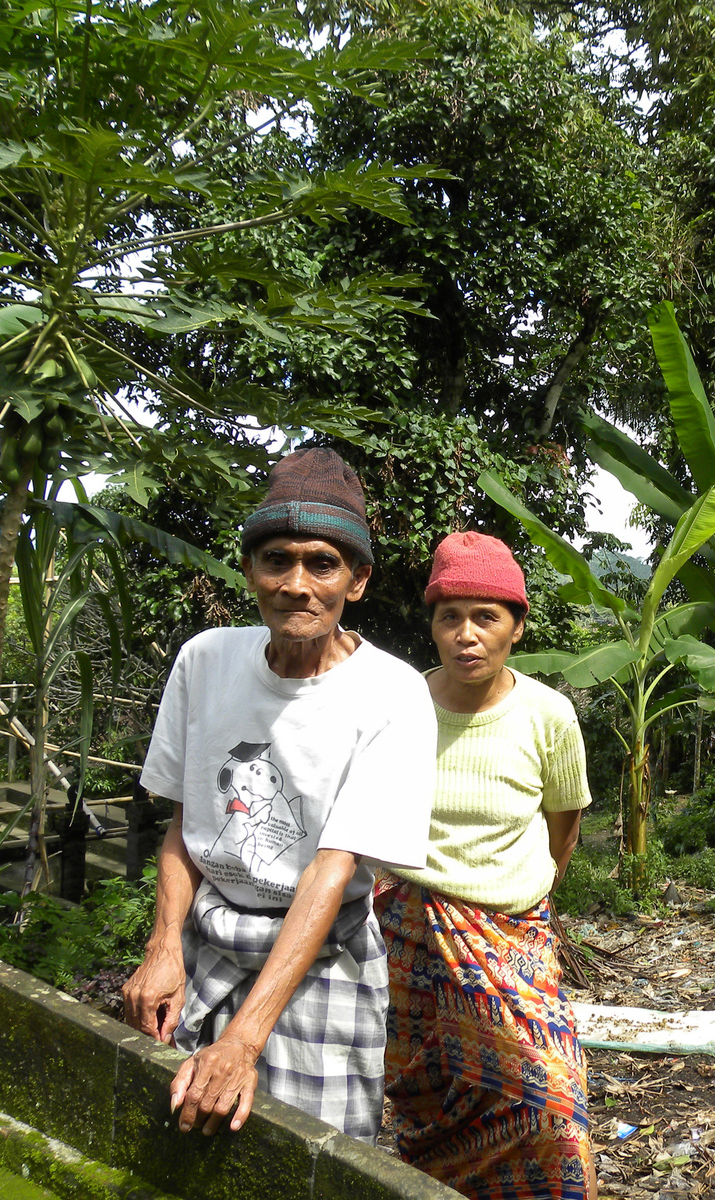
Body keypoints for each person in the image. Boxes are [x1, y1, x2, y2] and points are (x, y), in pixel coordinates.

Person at [122, 447, 436, 1143]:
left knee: (313, 1155)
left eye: (322, 564)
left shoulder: (392, 692)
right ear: (250, 572)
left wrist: (242, 1039)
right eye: (277, 561)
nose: (297, 584)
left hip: (323, 952)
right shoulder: (204, 660)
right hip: (211, 936)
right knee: (180, 1136)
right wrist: (164, 946)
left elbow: (334, 866)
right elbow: (183, 824)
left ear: (357, 581)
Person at [375, 530, 595, 1199]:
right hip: (413, 934)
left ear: (516, 627)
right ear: (434, 626)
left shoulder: (547, 715)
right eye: (450, 617)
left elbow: (564, 823)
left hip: (513, 935)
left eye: (486, 617)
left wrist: (527, 894)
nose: (466, 634)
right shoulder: (400, 704)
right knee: (430, 1107)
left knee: (552, 1109)